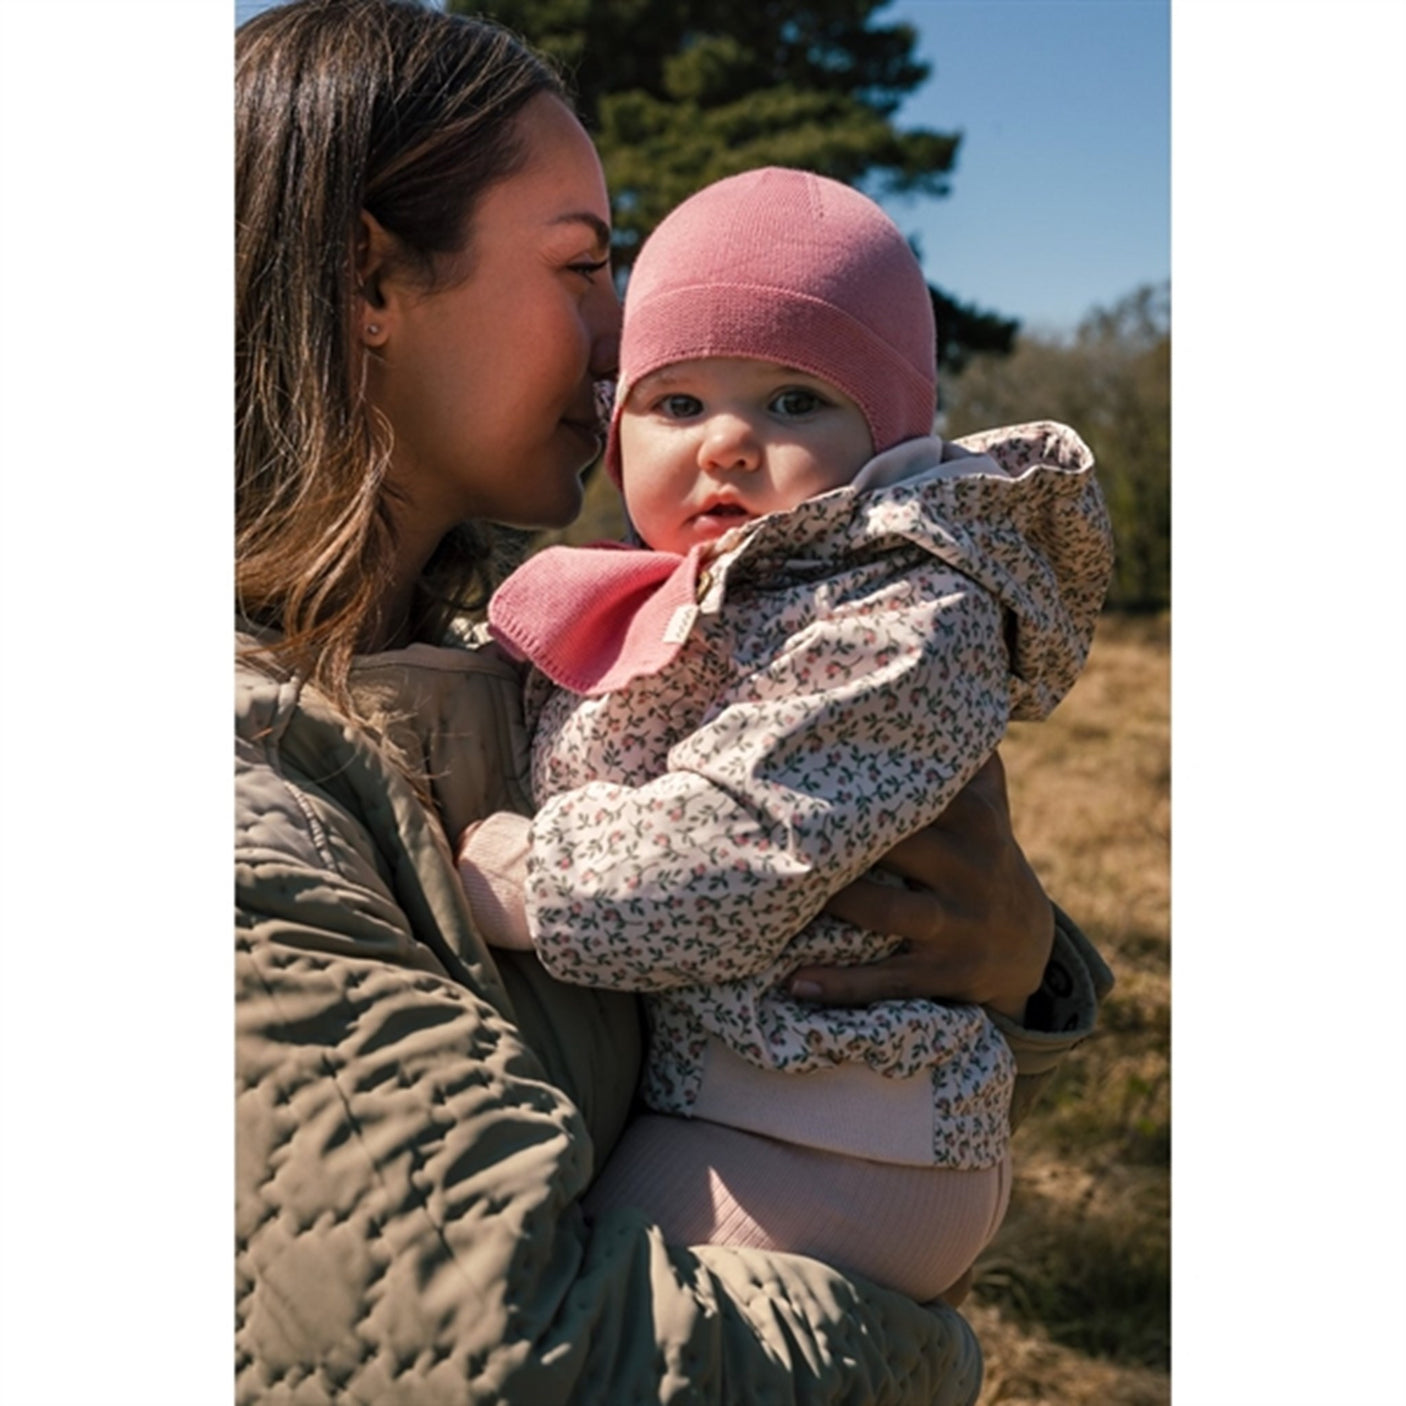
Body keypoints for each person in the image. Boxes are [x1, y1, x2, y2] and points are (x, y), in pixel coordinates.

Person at [235, 2, 1112, 1402]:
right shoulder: (238, 771)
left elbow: (756, 843)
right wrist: (928, 1352)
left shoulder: (488, 644)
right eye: (586, 267)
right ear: (368, 284)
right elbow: (493, 1356)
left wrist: (1015, 958)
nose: (615, 340)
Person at [454, 168, 1113, 1302]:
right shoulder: (675, 593)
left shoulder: (905, 610)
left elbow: (746, 840)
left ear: (889, 436)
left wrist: (515, 875)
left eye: (793, 400)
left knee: (577, 1319)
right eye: (675, 403)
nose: (726, 444)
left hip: (836, 1130)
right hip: (743, 1097)